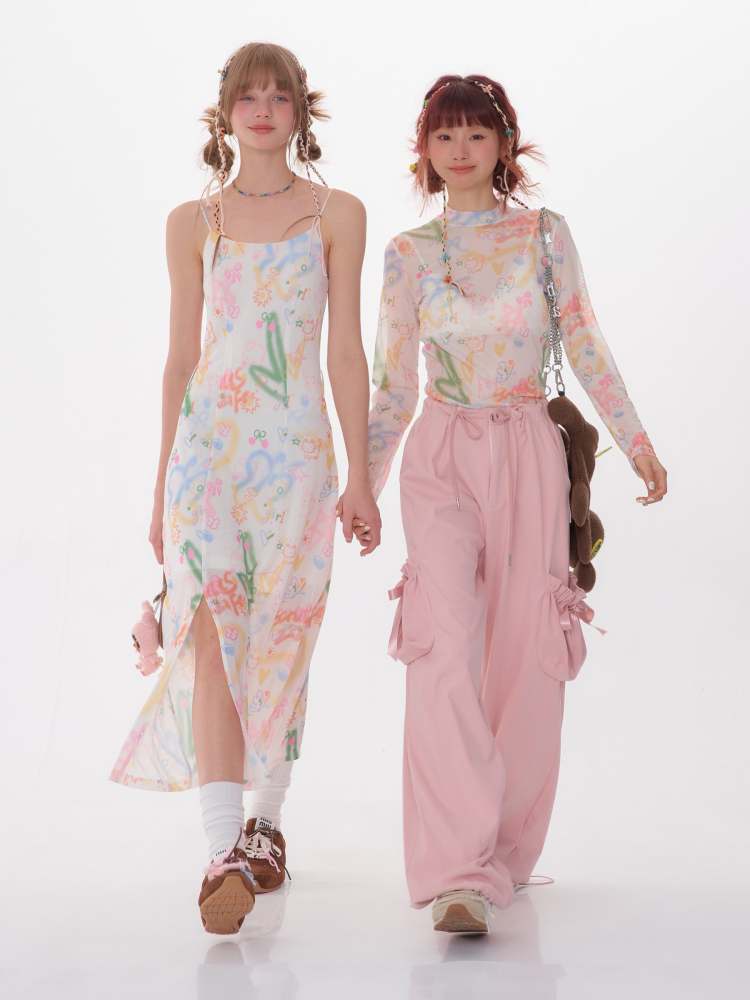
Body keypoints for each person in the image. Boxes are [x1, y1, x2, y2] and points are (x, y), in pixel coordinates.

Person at [341, 73, 668, 936]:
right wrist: (362, 483)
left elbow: (585, 340)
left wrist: (635, 441)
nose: (460, 151)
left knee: (526, 655)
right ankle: (457, 871)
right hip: (440, 457)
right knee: (443, 648)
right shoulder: (408, 254)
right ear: (424, 150)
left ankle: (504, 857)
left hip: (527, 450)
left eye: (476, 135)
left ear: (503, 146)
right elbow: (392, 384)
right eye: (444, 136)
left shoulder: (544, 236)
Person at [110, 42, 378, 935]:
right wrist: (161, 486)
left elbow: (345, 352)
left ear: (301, 111)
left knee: (283, 631)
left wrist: (361, 474)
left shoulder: (337, 214)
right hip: (208, 460)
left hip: (297, 457)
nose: (263, 109)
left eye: (279, 96)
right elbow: (179, 359)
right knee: (213, 631)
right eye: (248, 96)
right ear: (225, 113)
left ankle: (268, 822)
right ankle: (221, 847)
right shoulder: (194, 222)